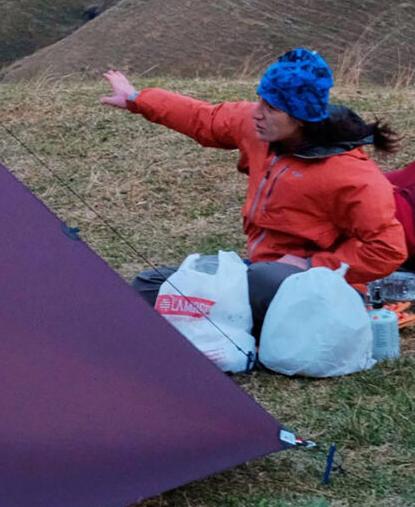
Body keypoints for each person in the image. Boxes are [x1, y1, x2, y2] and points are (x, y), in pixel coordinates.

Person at [100, 48, 407, 334]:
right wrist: (136, 99)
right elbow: (204, 119)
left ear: (300, 118)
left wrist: (311, 266)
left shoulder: (352, 175)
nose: (257, 113)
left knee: (262, 282)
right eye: (260, 100)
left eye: (271, 108)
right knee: (151, 285)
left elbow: (388, 248)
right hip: (257, 271)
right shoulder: (260, 130)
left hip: (321, 289)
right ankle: (233, 322)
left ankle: (235, 325)